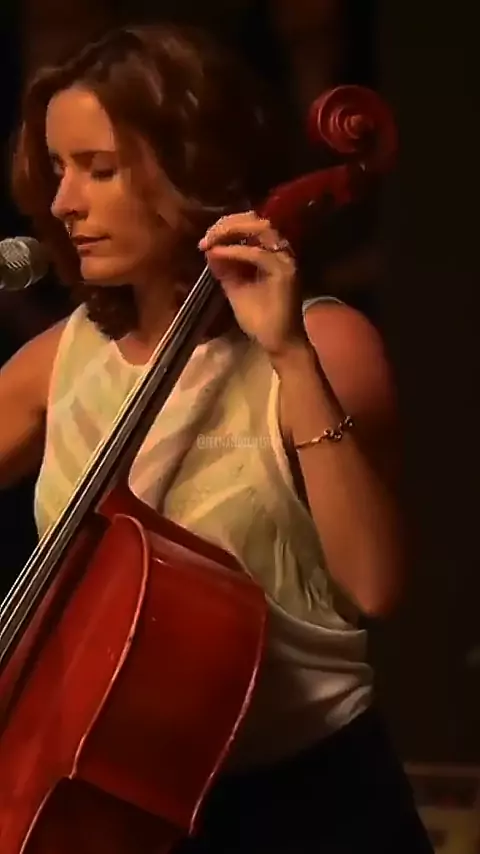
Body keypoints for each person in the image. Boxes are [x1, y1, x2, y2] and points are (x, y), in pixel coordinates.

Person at [1, 23, 433, 853]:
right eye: (58, 170)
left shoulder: (327, 347)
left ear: (189, 168)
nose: (63, 203)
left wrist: (288, 354)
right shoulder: (64, 359)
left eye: (99, 169)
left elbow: (377, 583)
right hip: (123, 801)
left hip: (311, 809)